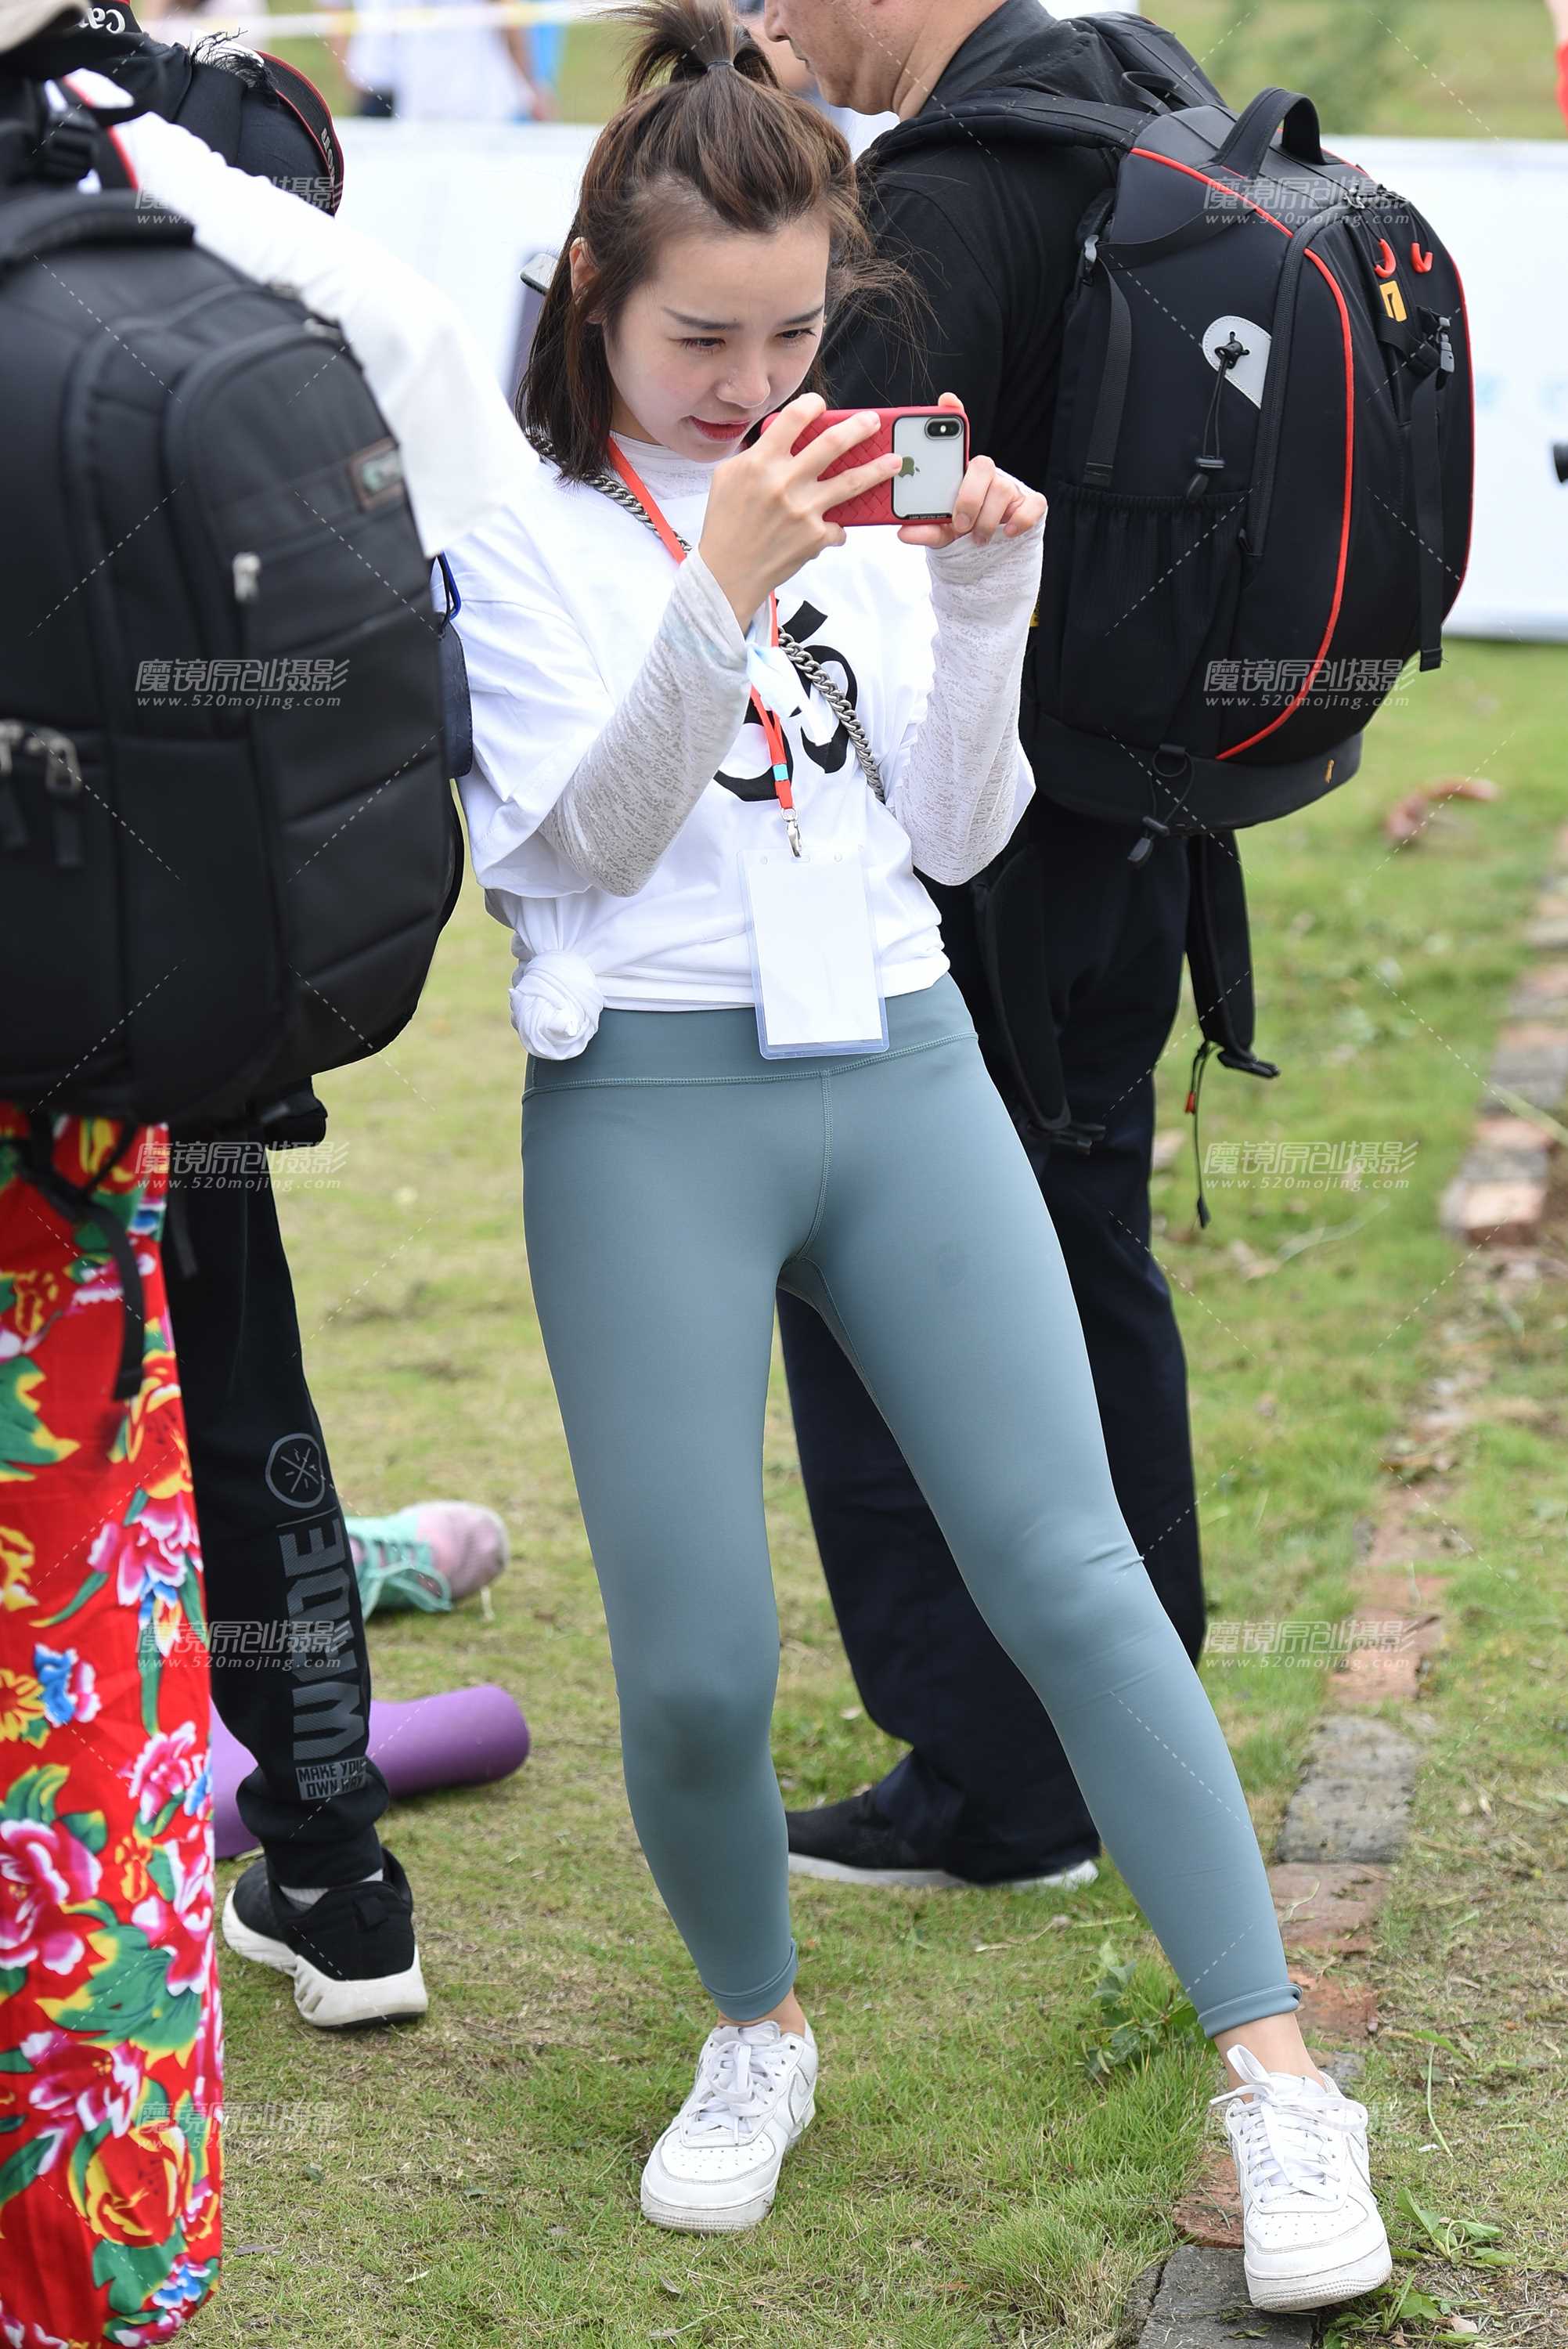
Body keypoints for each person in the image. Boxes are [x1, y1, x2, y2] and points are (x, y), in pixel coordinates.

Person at [445, 0, 1392, 2311]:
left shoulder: (844, 485)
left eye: (792, 335)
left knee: (1072, 1576)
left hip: (898, 1065)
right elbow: (570, 849)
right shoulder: (519, 527)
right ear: (595, 296)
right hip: (647, 1101)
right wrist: (717, 588)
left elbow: (956, 838)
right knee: (694, 1667)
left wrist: (979, 593)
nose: (752, 383)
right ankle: (754, 2031)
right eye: (701, 338)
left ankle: (1282, 2080)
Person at [752, 0, 1216, 1907]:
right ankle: (1129, 1743)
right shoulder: (1148, 92)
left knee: (879, 1280)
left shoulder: (943, 197)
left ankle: (998, 1786)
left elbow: (810, 499)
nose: (776, 27)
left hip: (975, 836)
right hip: (1145, 816)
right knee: (1091, 1256)